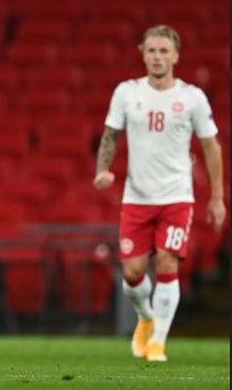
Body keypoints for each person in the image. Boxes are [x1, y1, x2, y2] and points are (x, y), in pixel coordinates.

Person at [93, 25, 226, 362]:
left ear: (176, 56)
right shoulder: (126, 92)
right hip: (136, 198)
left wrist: (216, 197)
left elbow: (211, 146)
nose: (157, 56)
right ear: (143, 53)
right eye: (152, 50)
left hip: (177, 196)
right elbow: (110, 134)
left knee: (168, 262)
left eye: (164, 51)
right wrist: (103, 169)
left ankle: (158, 342)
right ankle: (146, 318)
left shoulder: (192, 96)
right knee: (134, 274)